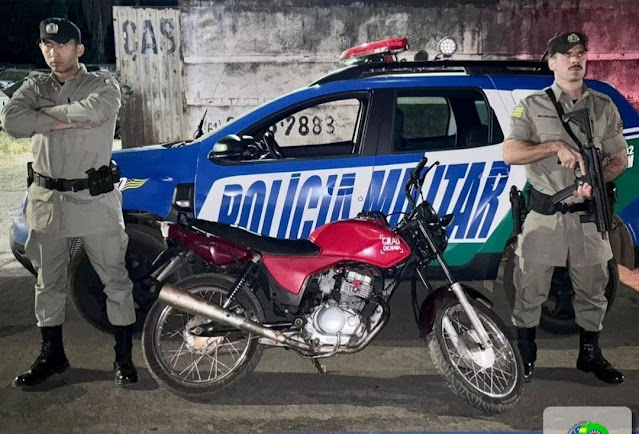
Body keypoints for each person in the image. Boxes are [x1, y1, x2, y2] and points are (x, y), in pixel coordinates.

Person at [0, 18, 138, 387]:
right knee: (48, 282)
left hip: (94, 199)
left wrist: (43, 116)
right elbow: (11, 121)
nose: (54, 52)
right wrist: (62, 120)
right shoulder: (35, 85)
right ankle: (53, 355)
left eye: (62, 45)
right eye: (47, 45)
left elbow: (94, 112)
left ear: (79, 49)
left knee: (115, 279)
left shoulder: (102, 85)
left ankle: (123, 357)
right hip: (47, 201)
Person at [503, 32, 628, 384]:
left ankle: (590, 354)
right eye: (567, 54)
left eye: (580, 53)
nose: (575, 59)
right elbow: (511, 153)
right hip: (545, 216)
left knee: (593, 289)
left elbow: (620, 159)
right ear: (552, 62)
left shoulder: (603, 106)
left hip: (588, 217)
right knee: (529, 289)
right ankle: (525, 353)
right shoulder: (531, 106)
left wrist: (596, 183)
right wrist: (553, 146)